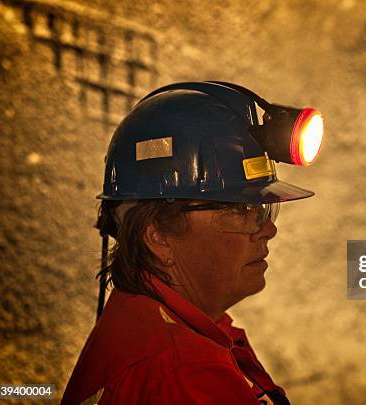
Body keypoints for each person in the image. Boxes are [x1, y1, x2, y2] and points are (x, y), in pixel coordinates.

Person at [62, 82, 323, 404]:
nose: (268, 229)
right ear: (158, 234)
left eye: (262, 209)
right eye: (240, 210)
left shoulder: (151, 319)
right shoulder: (186, 372)